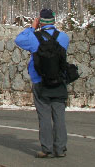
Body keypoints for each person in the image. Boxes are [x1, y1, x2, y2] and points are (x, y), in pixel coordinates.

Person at [15, 8, 70, 159]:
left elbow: (18, 39)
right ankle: (60, 148)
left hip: (40, 81)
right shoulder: (64, 38)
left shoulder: (34, 38)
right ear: (54, 21)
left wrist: (33, 26)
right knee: (59, 114)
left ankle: (47, 149)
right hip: (59, 81)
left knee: (44, 115)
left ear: (41, 21)